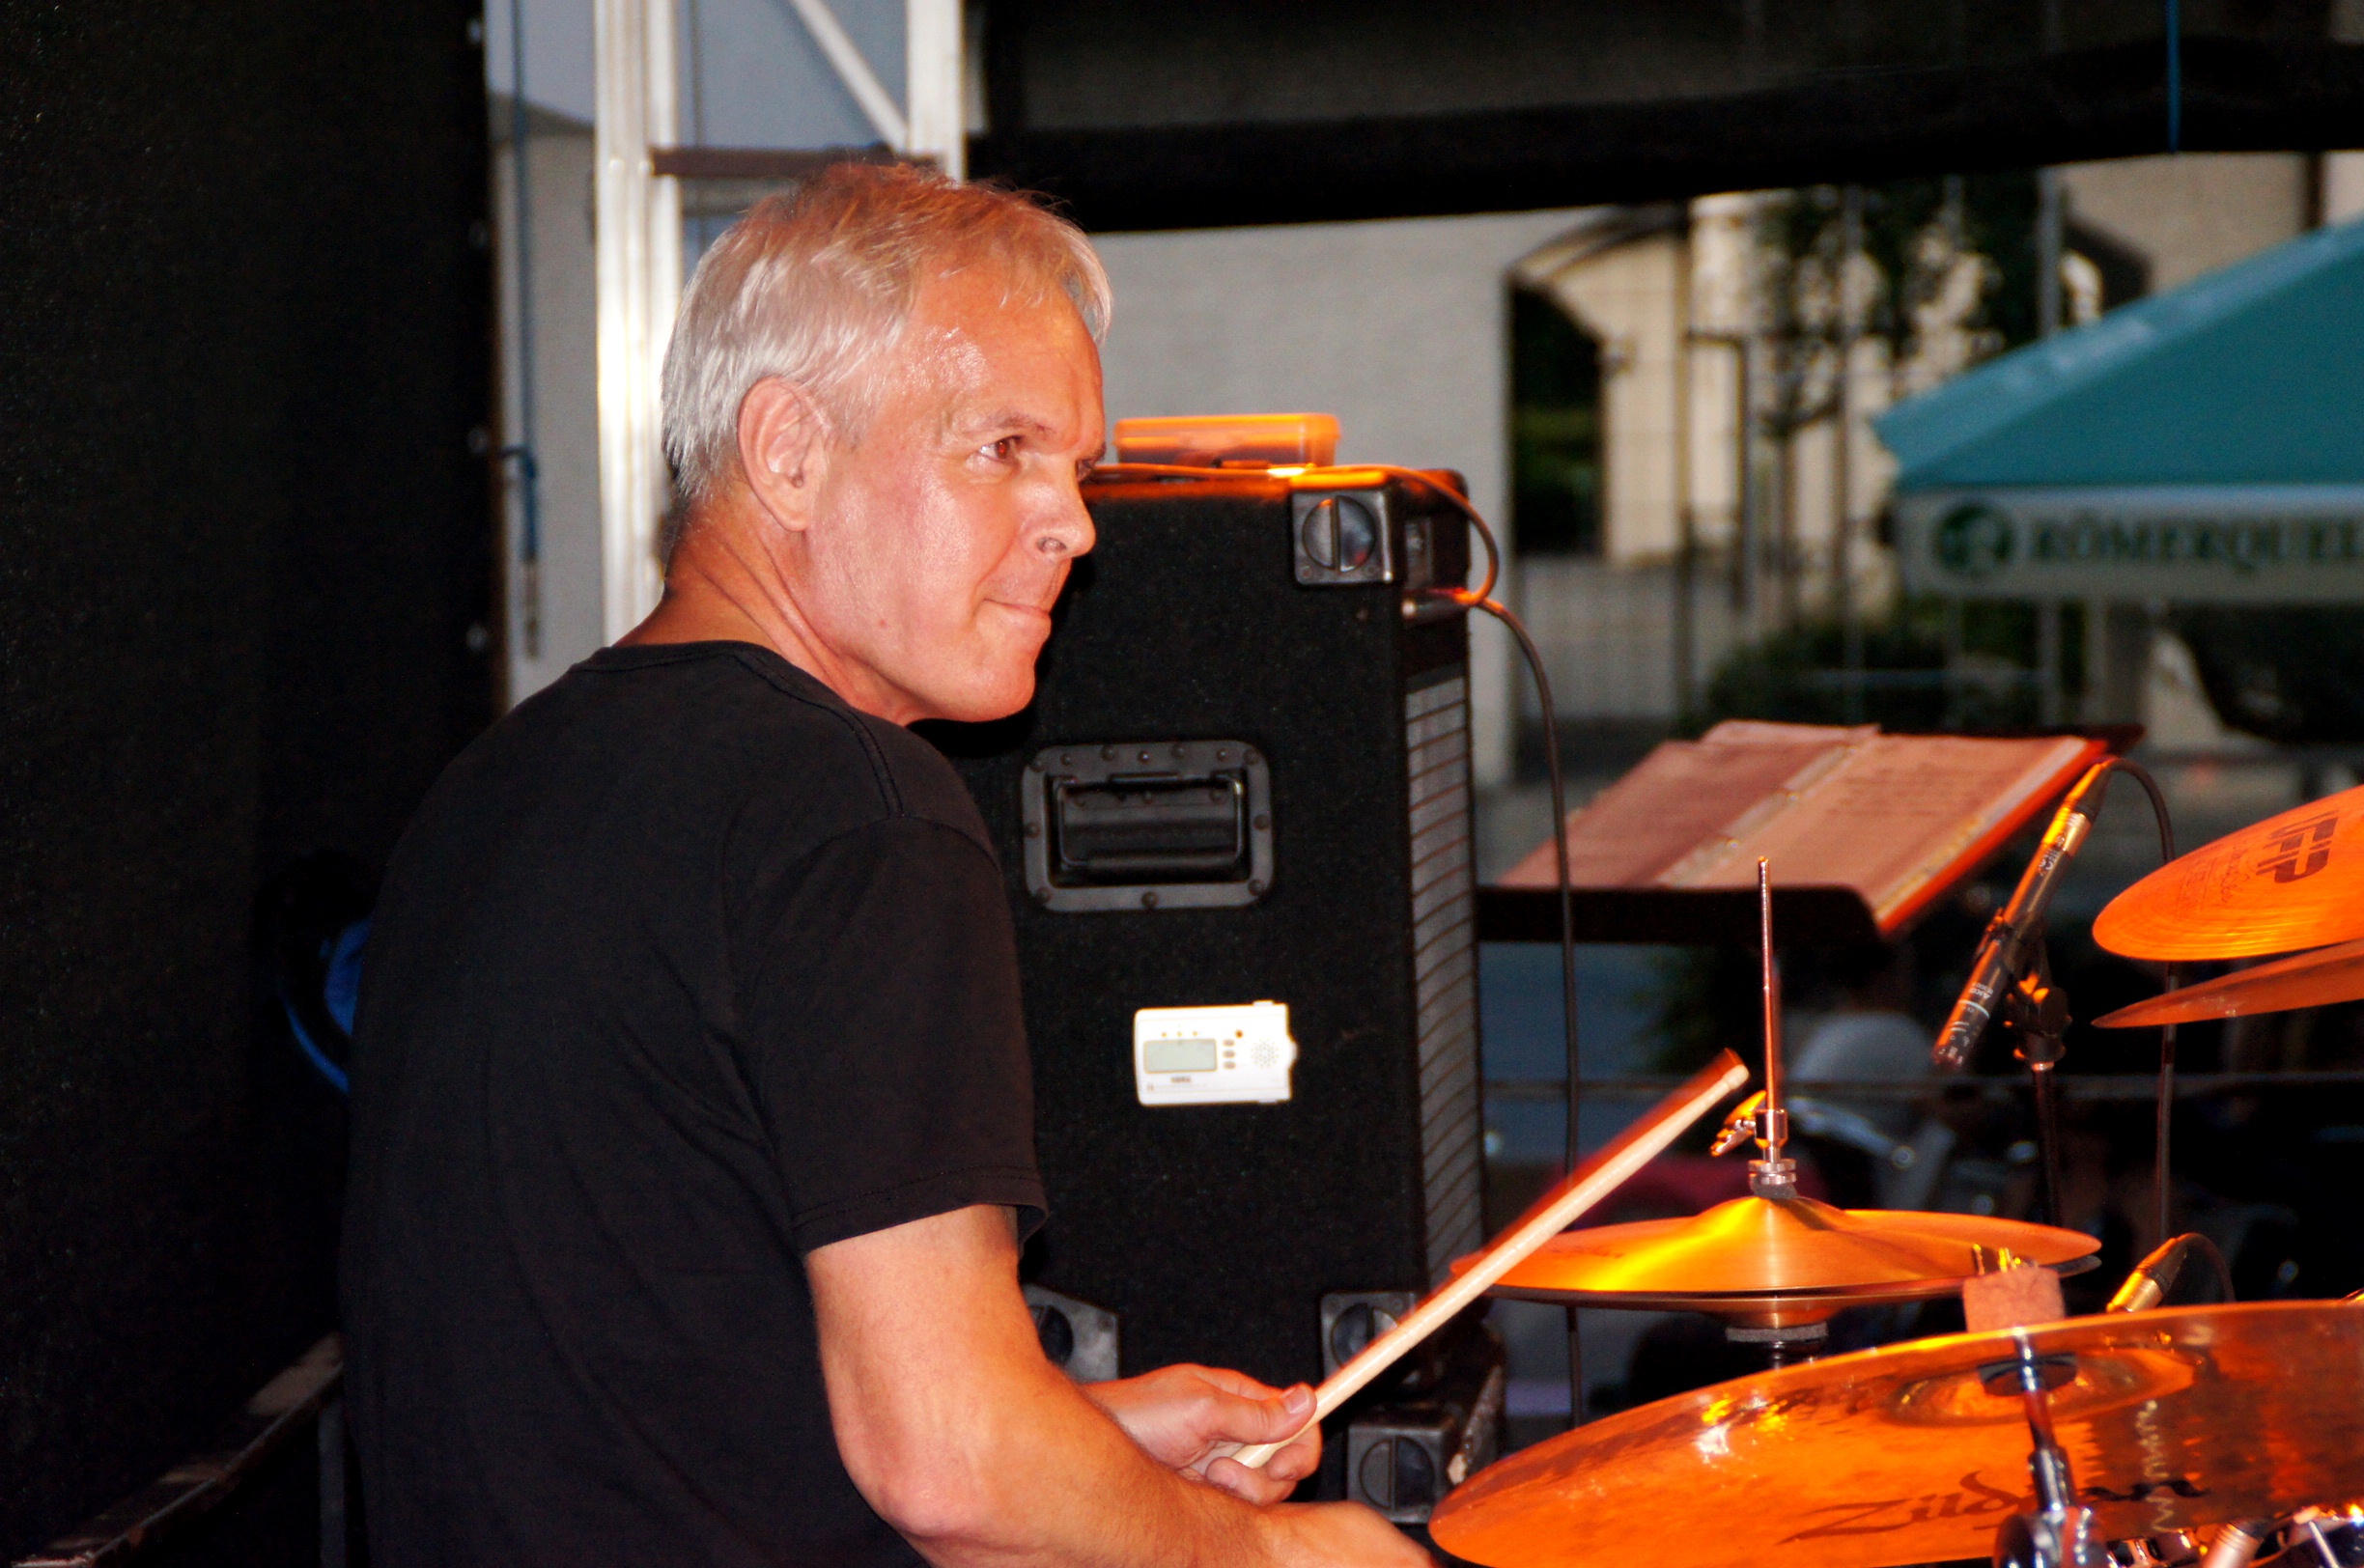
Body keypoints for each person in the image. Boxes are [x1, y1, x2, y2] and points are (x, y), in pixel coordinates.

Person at [341, 164, 1426, 1568]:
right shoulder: (859, 816)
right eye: (1003, 448)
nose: (1076, 522)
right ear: (790, 453)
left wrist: (1084, 1441)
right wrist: (1267, 1555)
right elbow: (952, 1469)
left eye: (1075, 466)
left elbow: (645, 1399)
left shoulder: (495, 786)